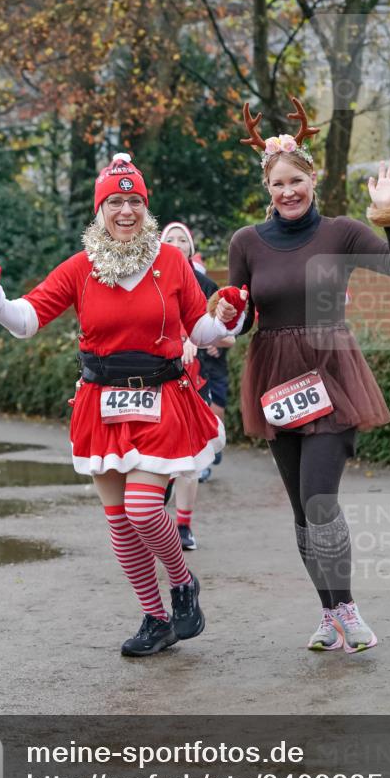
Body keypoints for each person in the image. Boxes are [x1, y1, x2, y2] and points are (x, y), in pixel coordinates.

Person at [0, 153, 246, 657]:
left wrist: (226, 316)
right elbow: (29, 318)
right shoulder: (81, 266)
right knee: (119, 521)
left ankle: (182, 584)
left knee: (143, 508)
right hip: (101, 402)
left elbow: (199, 329)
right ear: (100, 210)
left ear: (146, 207)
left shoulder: (170, 261)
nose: (125, 210)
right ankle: (155, 618)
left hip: (162, 397)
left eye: (134, 201)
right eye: (115, 201)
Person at [228, 98, 390, 654]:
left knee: (320, 501)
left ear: (313, 179)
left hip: (330, 374)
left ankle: (348, 609)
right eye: (277, 184)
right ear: (268, 188)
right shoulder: (247, 242)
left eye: (296, 180)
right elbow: (241, 318)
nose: (287, 191)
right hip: (274, 381)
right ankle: (328, 614)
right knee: (299, 509)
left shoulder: (341, 231)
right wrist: (222, 316)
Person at [160, 221, 235, 546]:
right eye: (170, 238)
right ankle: (154, 520)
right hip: (156, 380)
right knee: (157, 459)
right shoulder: (149, 278)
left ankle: (184, 527)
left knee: (189, 458)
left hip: (196, 377)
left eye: (182, 239)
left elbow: (228, 332)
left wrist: (201, 340)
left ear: (191, 247)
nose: (177, 243)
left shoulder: (205, 284)